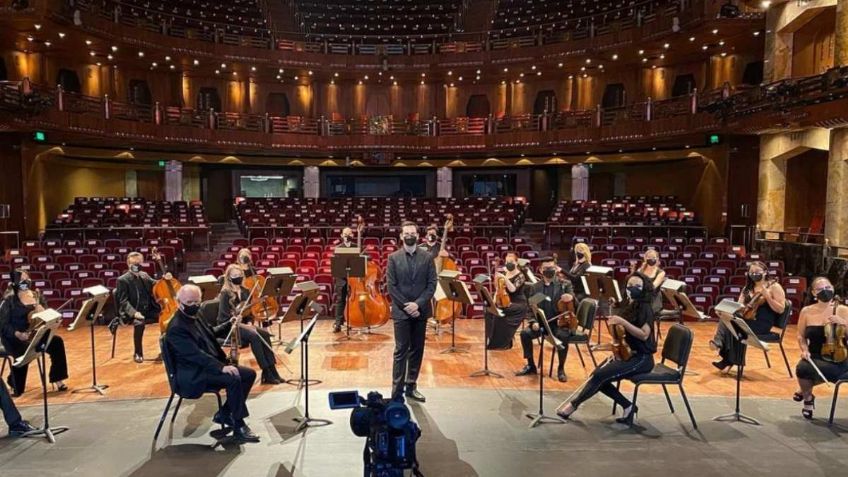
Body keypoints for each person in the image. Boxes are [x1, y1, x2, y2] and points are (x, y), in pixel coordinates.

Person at [555, 273, 657, 425]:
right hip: (626, 354)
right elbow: (623, 337)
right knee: (596, 375)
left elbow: (643, 335)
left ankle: (572, 406)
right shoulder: (630, 305)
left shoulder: (645, 308)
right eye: (630, 285)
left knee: (599, 376)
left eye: (637, 286)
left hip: (641, 358)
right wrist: (606, 346)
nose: (632, 289)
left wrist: (622, 321)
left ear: (644, 289)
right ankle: (628, 406)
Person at [165, 285, 259, 443]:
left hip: (205, 366)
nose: (194, 306)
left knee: (249, 374)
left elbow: (211, 333)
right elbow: (195, 355)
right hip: (193, 374)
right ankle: (239, 426)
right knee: (233, 378)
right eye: (189, 302)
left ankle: (224, 413)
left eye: (197, 302)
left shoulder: (196, 315)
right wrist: (222, 367)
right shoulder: (176, 328)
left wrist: (229, 323)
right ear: (178, 302)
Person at [386, 221, 437, 402]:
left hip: (421, 311)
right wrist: (407, 306)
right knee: (401, 350)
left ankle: (411, 386)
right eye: (406, 233)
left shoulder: (427, 257)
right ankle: (396, 392)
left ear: (417, 235)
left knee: (417, 349)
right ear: (401, 236)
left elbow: (432, 285)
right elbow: (391, 287)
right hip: (401, 312)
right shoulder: (393, 258)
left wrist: (418, 304)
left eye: (412, 233)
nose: (409, 235)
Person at [0, 270, 69, 396]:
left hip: (33, 334)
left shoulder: (36, 296)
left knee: (56, 342)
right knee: (25, 349)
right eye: (22, 280)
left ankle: (57, 378)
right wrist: (18, 334)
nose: (26, 282)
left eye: (27, 279)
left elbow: (46, 315)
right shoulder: (9, 300)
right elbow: (3, 326)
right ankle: (14, 382)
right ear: (15, 282)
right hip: (14, 337)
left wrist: (49, 316)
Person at [709, 261, 786, 372]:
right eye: (751, 272)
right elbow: (739, 305)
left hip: (762, 324)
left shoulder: (774, 287)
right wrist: (732, 309)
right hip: (748, 319)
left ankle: (721, 349)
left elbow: (780, 309)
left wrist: (768, 297)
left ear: (765, 272)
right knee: (729, 318)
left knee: (735, 325)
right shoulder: (747, 288)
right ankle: (727, 360)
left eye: (757, 272)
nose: (754, 274)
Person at [217, 265, 284, 385]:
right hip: (229, 327)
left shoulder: (245, 291)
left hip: (243, 326)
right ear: (229, 277)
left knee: (264, 333)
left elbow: (249, 314)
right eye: (235, 276)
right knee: (254, 335)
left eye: (240, 275)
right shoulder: (225, 293)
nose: (238, 277)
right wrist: (244, 326)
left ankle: (273, 370)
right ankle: (266, 371)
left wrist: (248, 322)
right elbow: (223, 318)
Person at [793, 277, 848, 419]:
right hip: (816, 355)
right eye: (821, 289)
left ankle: (804, 389)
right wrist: (804, 350)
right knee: (802, 368)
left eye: (828, 287)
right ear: (813, 293)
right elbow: (800, 335)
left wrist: (844, 323)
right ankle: (808, 398)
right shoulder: (806, 311)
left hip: (842, 356)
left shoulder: (842, 310)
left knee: (833, 371)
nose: (825, 291)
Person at [516, 257, 576, 382]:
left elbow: (575, 304)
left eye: (552, 268)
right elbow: (531, 308)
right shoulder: (536, 287)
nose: (550, 270)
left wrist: (570, 297)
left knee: (563, 336)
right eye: (546, 268)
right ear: (541, 270)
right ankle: (531, 365)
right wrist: (533, 322)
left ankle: (561, 368)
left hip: (559, 323)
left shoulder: (564, 284)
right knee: (525, 334)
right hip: (542, 324)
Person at [114, 252, 172, 363]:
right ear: (128, 264)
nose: (137, 265)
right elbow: (123, 301)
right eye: (134, 263)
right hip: (133, 312)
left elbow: (156, 284)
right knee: (139, 323)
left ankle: (166, 350)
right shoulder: (122, 280)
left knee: (166, 319)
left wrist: (164, 279)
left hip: (148, 310)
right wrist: (134, 313)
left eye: (139, 262)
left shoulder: (144, 275)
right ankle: (137, 353)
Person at [486, 252, 528, 350]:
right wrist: (493, 302)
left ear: (516, 263)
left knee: (499, 312)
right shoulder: (504, 273)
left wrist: (504, 277)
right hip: (504, 301)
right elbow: (498, 289)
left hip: (518, 303)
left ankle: (503, 343)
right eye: (507, 261)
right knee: (488, 311)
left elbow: (513, 289)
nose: (509, 263)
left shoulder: (521, 275)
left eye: (511, 261)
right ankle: (492, 339)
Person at [332, 227, 355, 333]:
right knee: (340, 301)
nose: (347, 236)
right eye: (345, 234)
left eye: (349, 234)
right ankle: (338, 323)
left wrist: (363, 256)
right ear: (341, 235)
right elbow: (336, 265)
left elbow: (368, 257)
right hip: (341, 279)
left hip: (354, 280)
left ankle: (353, 320)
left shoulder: (357, 247)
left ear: (352, 235)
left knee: (353, 301)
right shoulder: (338, 248)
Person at [638, 249, 666, 316]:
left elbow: (652, 287)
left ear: (657, 259)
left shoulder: (661, 272)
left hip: (654, 299)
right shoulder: (640, 270)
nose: (651, 259)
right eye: (649, 257)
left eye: (653, 257)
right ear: (645, 258)